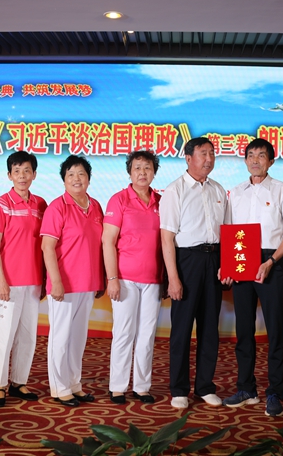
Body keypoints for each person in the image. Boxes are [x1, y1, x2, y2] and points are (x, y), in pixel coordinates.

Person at [221, 138, 283, 417]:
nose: (255, 160)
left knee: (275, 332)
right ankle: (246, 388)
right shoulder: (235, 193)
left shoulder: (282, 190)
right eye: (251, 155)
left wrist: (271, 261)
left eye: (261, 156)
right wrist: (228, 266)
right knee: (243, 330)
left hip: (272, 261)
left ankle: (275, 392)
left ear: (271, 161)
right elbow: (229, 231)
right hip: (242, 261)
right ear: (245, 160)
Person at [159, 137, 228, 409]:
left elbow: (228, 233)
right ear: (188, 158)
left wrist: (227, 265)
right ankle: (179, 389)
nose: (209, 159)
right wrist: (173, 278)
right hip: (186, 261)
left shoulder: (218, 189)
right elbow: (167, 238)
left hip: (214, 260)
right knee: (182, 329)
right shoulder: (174, 190)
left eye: (212, 153)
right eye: (203, 153)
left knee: (210, 328)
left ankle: (205, 386)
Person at [41, 155, 105, 407]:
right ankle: (59, 387)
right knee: (61, 337)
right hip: (64, 285)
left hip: (88, 283)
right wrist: (55, 281)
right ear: (64, 179)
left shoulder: (96, 206)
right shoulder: (57, 207)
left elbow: (99, 245)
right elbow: (47, 247)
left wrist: (100, 278)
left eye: (81, 174)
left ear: (89, 178)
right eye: (71, 174)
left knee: (78, 338)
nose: (77, 179)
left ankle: (74, 384)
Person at [0, 151, 47, 407]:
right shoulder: (1, 204)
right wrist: (1, 281)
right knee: (4, 335)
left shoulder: (41, 205)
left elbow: (44, 244)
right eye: (17, 171)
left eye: (27, 171)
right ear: (9, 175)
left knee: (28, 335)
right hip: (7, 283)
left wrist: (44, 280)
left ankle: (19, 382)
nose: (22, 176)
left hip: (33, 281)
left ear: (34, 174)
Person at [103, 150, 164, 405]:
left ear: (154, 172)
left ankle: (142, 386)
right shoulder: (119, 200)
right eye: (137, 168)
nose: (142, 172)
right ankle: (117, 387)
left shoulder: (161, 201)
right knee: (124, 333)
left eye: (147, 168)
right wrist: (112, 278)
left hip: (154, 280)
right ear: (129, 172)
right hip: (125, 278)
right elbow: (108, 241)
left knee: (147, 334)